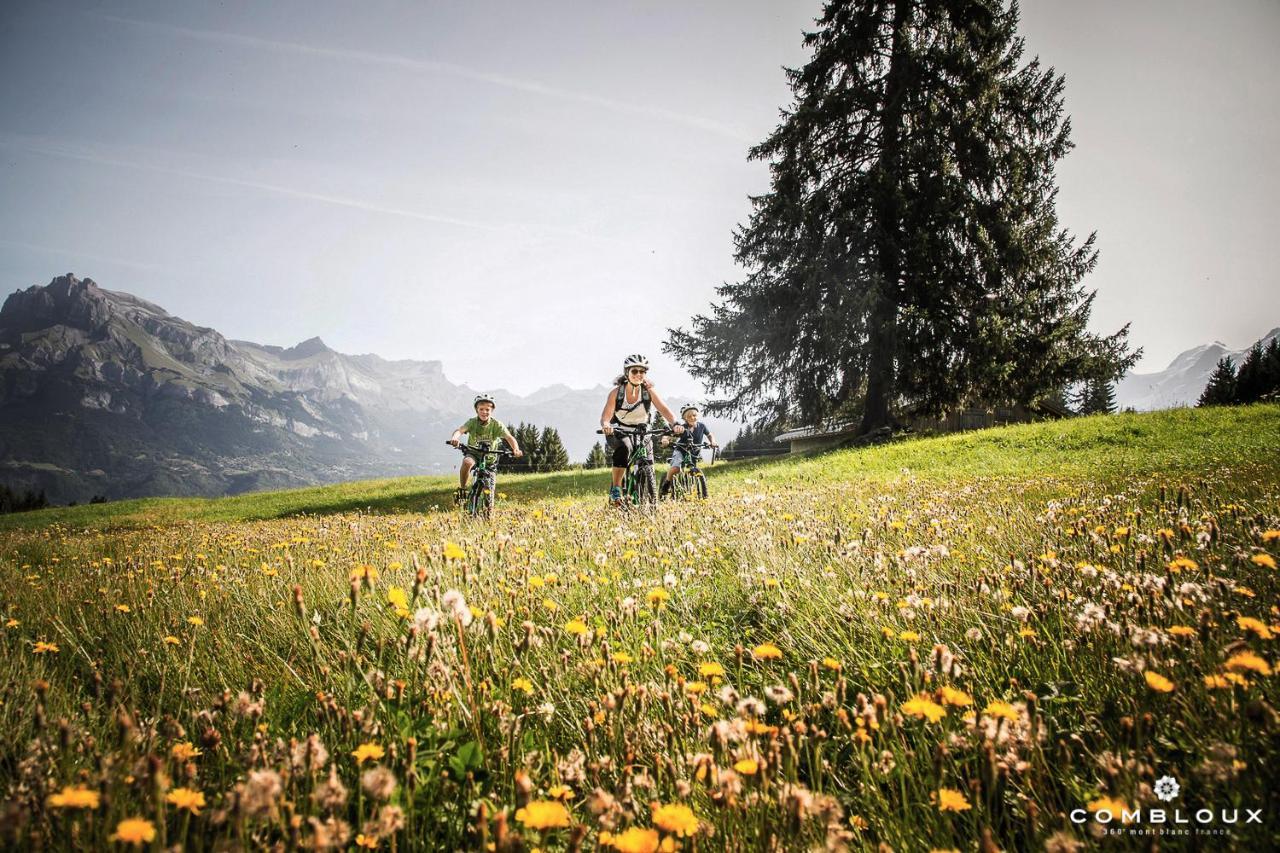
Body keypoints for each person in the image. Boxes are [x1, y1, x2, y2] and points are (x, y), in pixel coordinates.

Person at [599, 354, 683, 505]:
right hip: (619, 430)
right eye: (634, 371)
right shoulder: (616, 393)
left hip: (642, 430)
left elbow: (664, 410)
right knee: (625, 448)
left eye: (642, 371)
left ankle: (648, 499)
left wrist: (675, 423)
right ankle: (616, 489)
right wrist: (606, 425)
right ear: (627, 373)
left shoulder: (648, 391)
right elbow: (606, 416)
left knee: (648, 463)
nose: (638, 374)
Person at [448, 394, 523, 502]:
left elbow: (509, 437)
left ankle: (488, 513)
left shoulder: (496, 424)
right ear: (476, 410)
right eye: (481, 409)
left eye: (487, 409)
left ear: (492, 410)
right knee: (467, 462)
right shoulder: (472, 422)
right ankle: (463, 490)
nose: (484, 412)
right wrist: (454, 439)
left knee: (488, 495)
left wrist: (516, 449)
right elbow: (460, 430)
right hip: (474, 453)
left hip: (490, 459)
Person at [659, 403, 718, 498]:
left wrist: (713, 442)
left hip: (693, 451)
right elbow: (671, 433)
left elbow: (709, 434)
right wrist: (665, 439)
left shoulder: (702, 426)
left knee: (693, 470)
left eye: (694, 415)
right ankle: (666, 484)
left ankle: (696, 492)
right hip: (680, 450)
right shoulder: (682, 427)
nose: (692, 418)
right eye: (689, 416)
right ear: (684, 418)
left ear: (697, 416)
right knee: (676, 468)